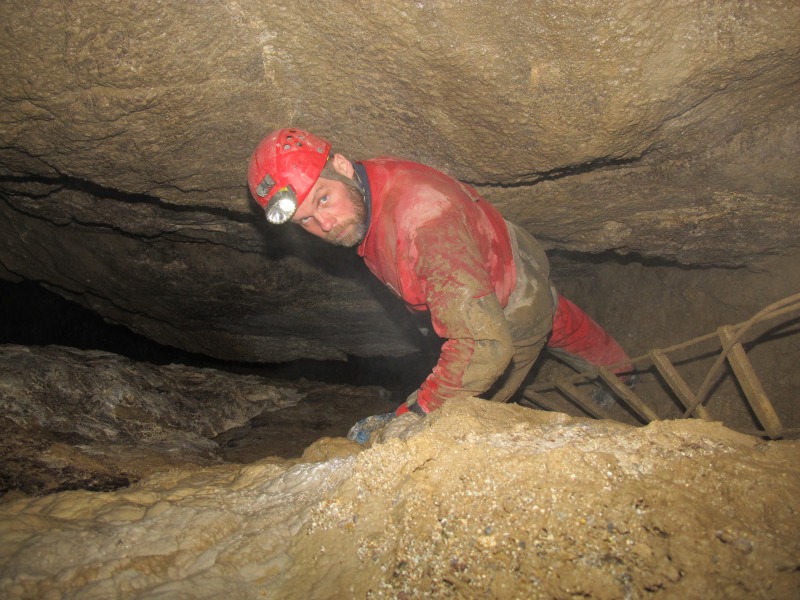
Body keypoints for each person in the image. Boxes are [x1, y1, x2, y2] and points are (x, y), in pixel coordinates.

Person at [247, 128, 634, 442]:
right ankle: (618, 365)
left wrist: (416, 413)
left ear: (343, 167)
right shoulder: (370, 185)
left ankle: (613, 370)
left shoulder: (423, 228)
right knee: (553, 311)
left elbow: (483, 347)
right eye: (305, 220)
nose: (325, 225)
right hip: (500, 246)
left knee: (474, 409)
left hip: (509, 305)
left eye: (324, 199)